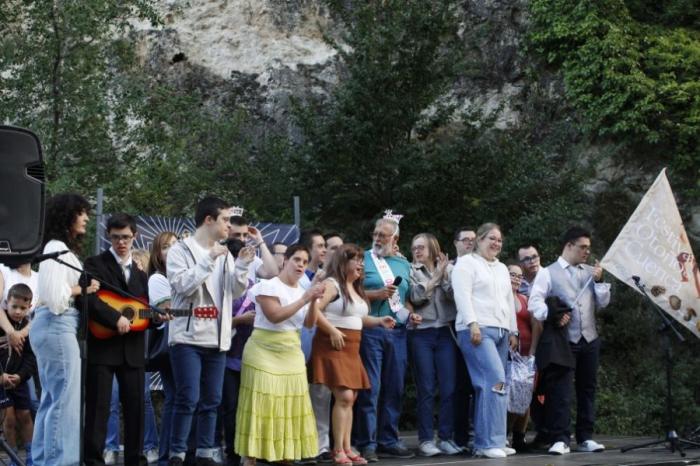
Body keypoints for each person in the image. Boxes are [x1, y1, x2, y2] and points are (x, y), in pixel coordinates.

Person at [166, 197, 251, 465]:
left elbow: (235, 291)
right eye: (225, 219)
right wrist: (209, 260)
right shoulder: (180, 250)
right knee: (188, 397)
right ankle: (177, 453)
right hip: (188, 337)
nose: (229, 224)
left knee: (212, 400)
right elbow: (182, 286)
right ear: (209, 220)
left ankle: (204, 451)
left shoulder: (225, 253)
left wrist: (243, 266)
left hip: (218, 338)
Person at [234, 244, 325, 465]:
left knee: (290, 407)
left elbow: (310, 322)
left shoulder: (303, 291)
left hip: (291, 352)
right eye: (296, 259)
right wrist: (306, 298)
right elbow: (275, 316)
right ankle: (250, 459)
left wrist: (313, 299)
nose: (301, 265)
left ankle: (285, 458)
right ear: (285, 260)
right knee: (260, 406)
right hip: (262, 351)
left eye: (304, 262)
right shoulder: (268, 285)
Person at [81, 213, 157, 466]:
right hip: (102, 347)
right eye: (115, 237)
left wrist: (158, 317)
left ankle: (136, 460)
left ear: (134, 236)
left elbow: (142, 311)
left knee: (136, 409)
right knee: (98, 409)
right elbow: (88, 300)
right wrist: (115, 318)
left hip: (133, 351)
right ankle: (93, 460)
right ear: (108, 237)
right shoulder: (94, 264)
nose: (121, 242)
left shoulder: (140, 274)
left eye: (125, 237)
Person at [310, 244, 395, 465]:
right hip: (332, 345)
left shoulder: (355, 288)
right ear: (342, 262)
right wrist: (332, 330)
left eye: (361, 260)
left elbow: (358, 319)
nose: (360, 264)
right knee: (345, 397)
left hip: (351, 349)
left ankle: (347, 447)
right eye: (355, 260)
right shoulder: (332, 284)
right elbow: (314, 311)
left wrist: (379, 321)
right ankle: (337, 448)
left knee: (351, 399)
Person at [528, 227, 611, 455]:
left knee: (587, 389)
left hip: (589, 337)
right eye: (583, 247)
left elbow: (603, 303)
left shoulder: (590, 272)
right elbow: (534, 303)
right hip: (563, 341)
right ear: (569, 246)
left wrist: (601, 280)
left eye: (588, 248)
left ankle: (586, 437)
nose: (587, 252)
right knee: (560, 390)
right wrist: (551, 314)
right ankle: (560, 438)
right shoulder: (547, 272)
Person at [30, 193, 99, 465]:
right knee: (64, 403)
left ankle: (44, 460)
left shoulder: (56, 246)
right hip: (57, 324)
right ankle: (59, 461)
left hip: (53, 326)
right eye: (81, 212)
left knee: (52, 400)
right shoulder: (56, 247)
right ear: (68, 215)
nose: (86, 218)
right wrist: (85, 288)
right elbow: (56, 298)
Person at [354, 212, 418, 462]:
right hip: (371, 329)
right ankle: (366, 442)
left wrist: (411, 315)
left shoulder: (403, 263)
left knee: (395, 387)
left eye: (384, 235)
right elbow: (350, 292)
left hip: (398, 331)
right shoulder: (363, 259)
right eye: (376, 234)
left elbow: (407, 300)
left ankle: (388, 439)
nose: (378, 238)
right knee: (372, 387)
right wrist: (375, 294)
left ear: (396, 239)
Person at [452, 223, 518, 459]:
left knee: (496, 385)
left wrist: (513, 330)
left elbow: (509, 299)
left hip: (501, 331)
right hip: (478, 330)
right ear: (479, 240)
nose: (496, 243)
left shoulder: (500, 268)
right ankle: (486, 442)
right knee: (495, 381)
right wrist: (472, 323)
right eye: (492, 238)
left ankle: (496, 439)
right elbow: (462, 295)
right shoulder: (466, 264)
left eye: (499, 240)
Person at [407, 233, 461, 457]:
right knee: (426, 388)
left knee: (449, 387)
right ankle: (426, 439)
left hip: (445, 332)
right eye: (414, 248)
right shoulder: (411, 270)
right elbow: (416, 296)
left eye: (421, 247)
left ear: (432, 248)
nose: (417, 251)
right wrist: (435, 277)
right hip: (421, 333)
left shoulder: (447, 269)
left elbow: (454, 297)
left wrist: (443, 275)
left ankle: (446, 437)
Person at [146, 231, 179, 466]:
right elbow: (168, 312)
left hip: (186, 344)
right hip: (170, 345)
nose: (172, 250)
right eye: (166, 247)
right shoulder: (158, 279)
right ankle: (165, 454)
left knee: (181, 398)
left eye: (176, 246)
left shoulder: (180, 276)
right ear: (158, 253)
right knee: (175, 398)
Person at [1, 284, 36, 466]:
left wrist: (20, 377)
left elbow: (31, 358)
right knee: (9, 418)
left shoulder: (28, 329)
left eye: (23, 308)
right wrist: (2, 376)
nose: (17, 311)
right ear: (6, 303)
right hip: (1, 381)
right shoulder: (2, 325)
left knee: (25, 415)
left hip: (19, 380)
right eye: (14, 306)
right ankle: (13, 457)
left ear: (29, 307)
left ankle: (31, 455)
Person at [505, 264, 537, 451]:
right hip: (509, 354)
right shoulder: (500, 297)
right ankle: (504, 434)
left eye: (519, 276)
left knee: (527, 395)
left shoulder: (525, 298)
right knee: (509, 395)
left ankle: (520, 437)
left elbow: (535, 324)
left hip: (527, 356)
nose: (516, 279)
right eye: (512, 275)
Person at [451, 226, 477, 452]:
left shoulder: (483, 266)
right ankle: (459, 437)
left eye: (473, 240)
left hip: (480, 330)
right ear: (456, 243)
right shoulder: (450, 267)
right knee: (459, 386)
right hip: (454, 331)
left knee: (479, 385)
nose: (470, 243)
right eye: (465, 239)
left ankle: (475, 433)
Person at [227, 209, 279, 282]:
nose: (242, 239)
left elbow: (272, 274)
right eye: (237, 235)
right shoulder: (218, 257)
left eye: (245, 235)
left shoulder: (251, 258)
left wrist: (260, 241)